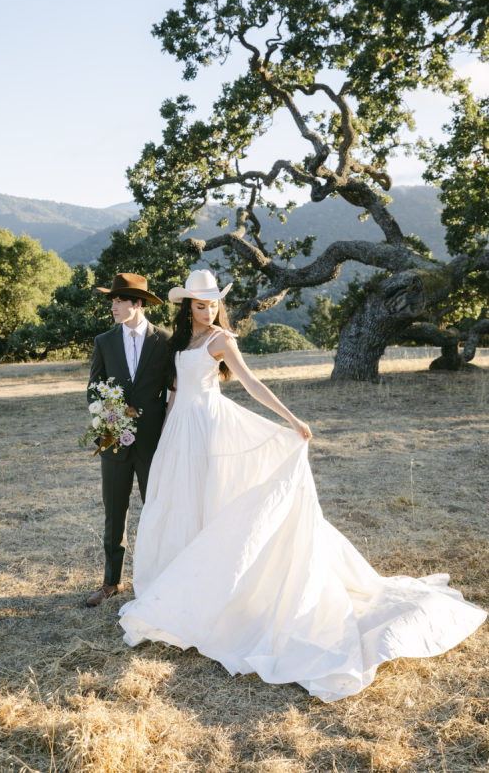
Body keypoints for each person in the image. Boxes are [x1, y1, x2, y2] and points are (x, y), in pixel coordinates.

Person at [119, 270, 487, 703]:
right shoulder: (181, 342)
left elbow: (251, 383)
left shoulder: (220, 339)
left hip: (210, 426)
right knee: (181, 503)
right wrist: (165, 434)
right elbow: (175, 394)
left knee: (215, 498)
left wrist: (291, 419)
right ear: (188, 307)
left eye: (213, 304)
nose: (208, 310)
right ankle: (187, 583)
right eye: (200, 305)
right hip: (182, 429)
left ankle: (221, 589)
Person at [85, 273, 169, 607]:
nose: (113, 307)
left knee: (156, 511)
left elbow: (171, 390)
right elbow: (94, 388)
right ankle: (111, 582)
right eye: (112, 301)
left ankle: (158, 578)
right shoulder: (104, 341)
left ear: (138, 303)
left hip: (153, 442)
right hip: (113, 441)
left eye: (119, 301)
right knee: (114, 512)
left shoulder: (165, 341)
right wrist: (109, 415)